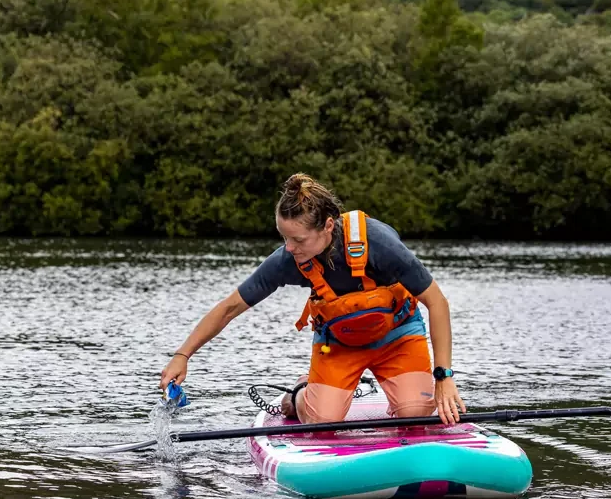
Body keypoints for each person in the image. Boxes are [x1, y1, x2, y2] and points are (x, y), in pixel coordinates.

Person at [159, 173, 464, 425]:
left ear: (328, 226)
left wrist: (444, 376)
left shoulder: (378, 243)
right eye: (284, 237)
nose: (289, 248)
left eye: (298, 240)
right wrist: (182, 355)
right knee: (321, 423)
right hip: (339, 345)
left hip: (398, 338)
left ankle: (405, 396)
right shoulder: (288, 260)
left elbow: (437, 302)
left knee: (416, 414)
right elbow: (229, 308)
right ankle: (298, 396)